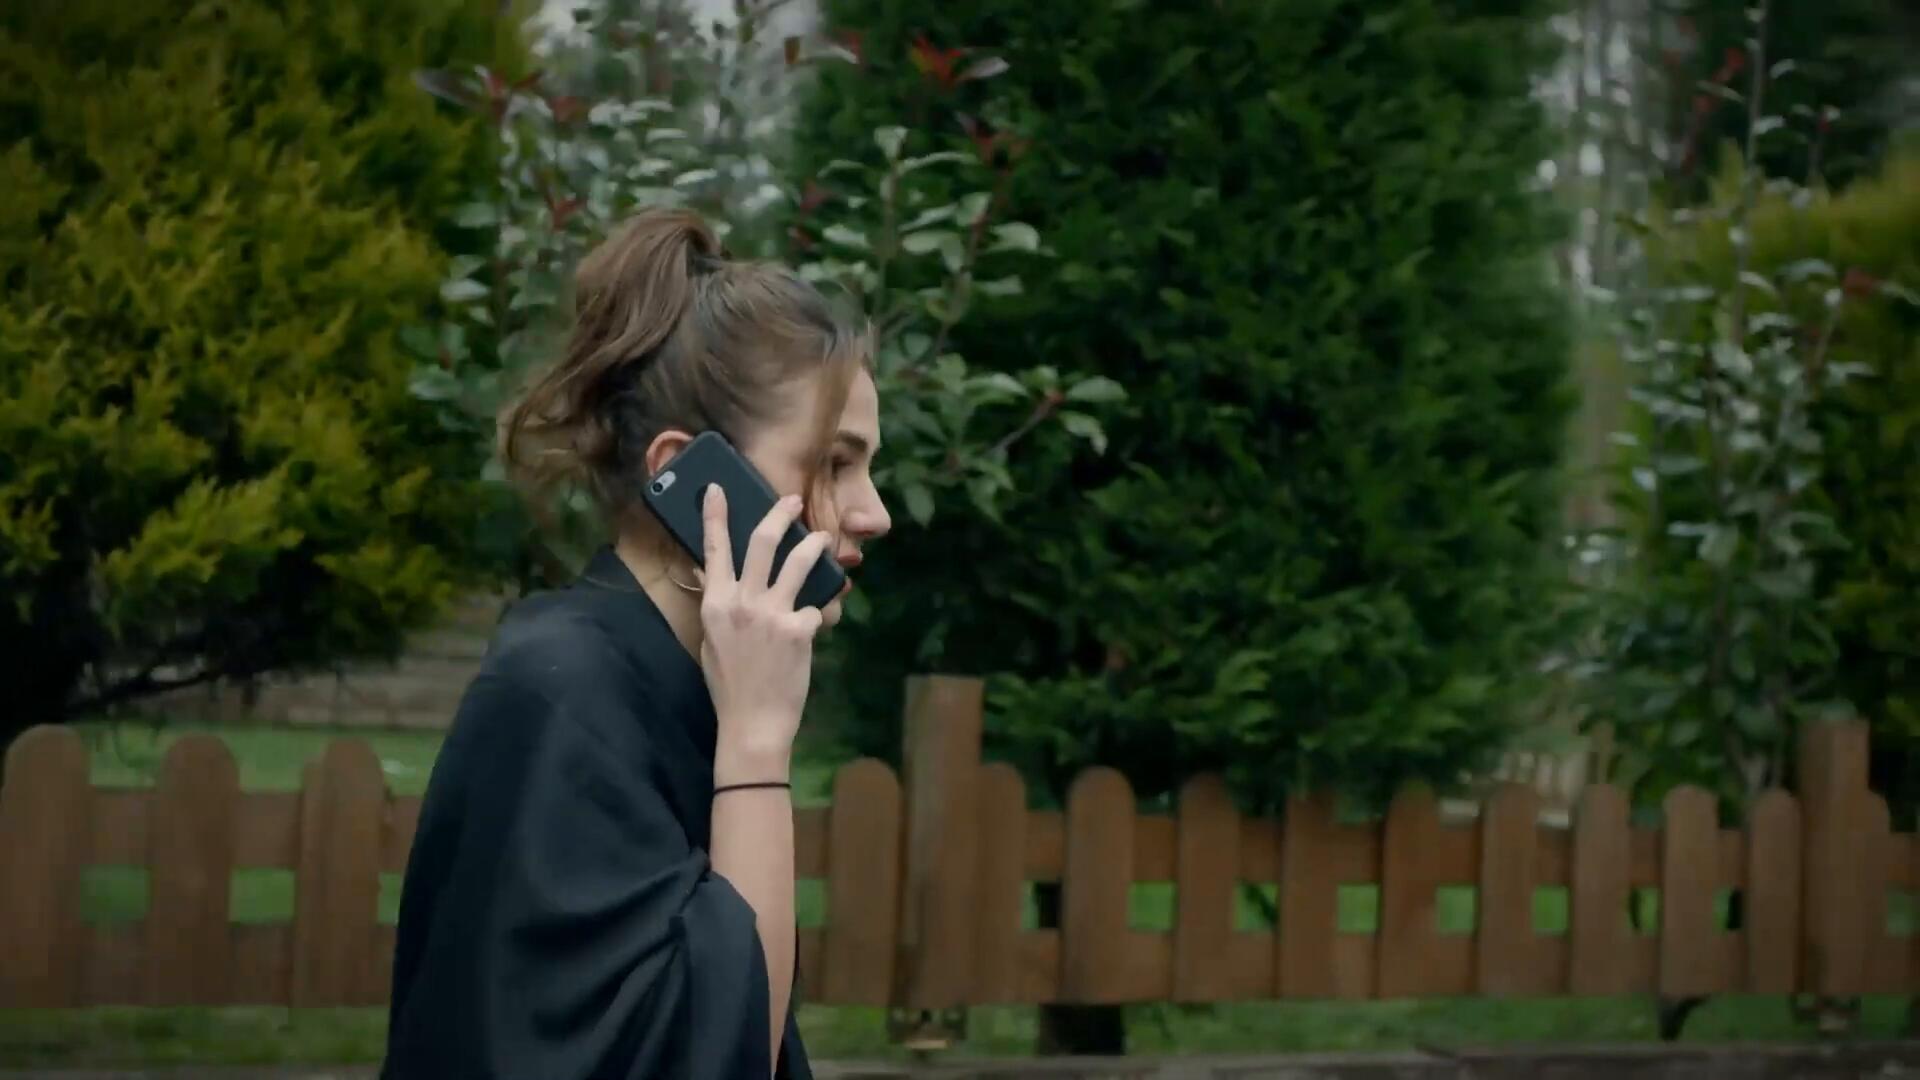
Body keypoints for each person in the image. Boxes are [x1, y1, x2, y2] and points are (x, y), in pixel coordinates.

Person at [380, 207, 891, 1080]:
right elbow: (718, 1056)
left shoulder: (675, 687)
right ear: (689, 477)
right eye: (835, 464)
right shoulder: (557, 701)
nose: (873, 513)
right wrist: (757, 749)